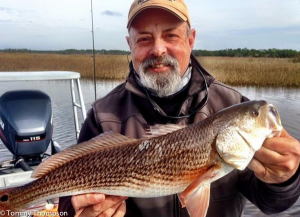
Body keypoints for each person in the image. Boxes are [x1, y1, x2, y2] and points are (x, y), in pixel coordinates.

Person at [59, 0, 300, 216]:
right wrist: (81, 211)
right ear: (129, 44)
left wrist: (285, 180)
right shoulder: (103, 115)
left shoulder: (233, 105)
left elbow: (271, 204)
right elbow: (66, 202)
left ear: (191, 39)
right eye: (144, 38)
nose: (158, 50)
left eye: (171, 35)